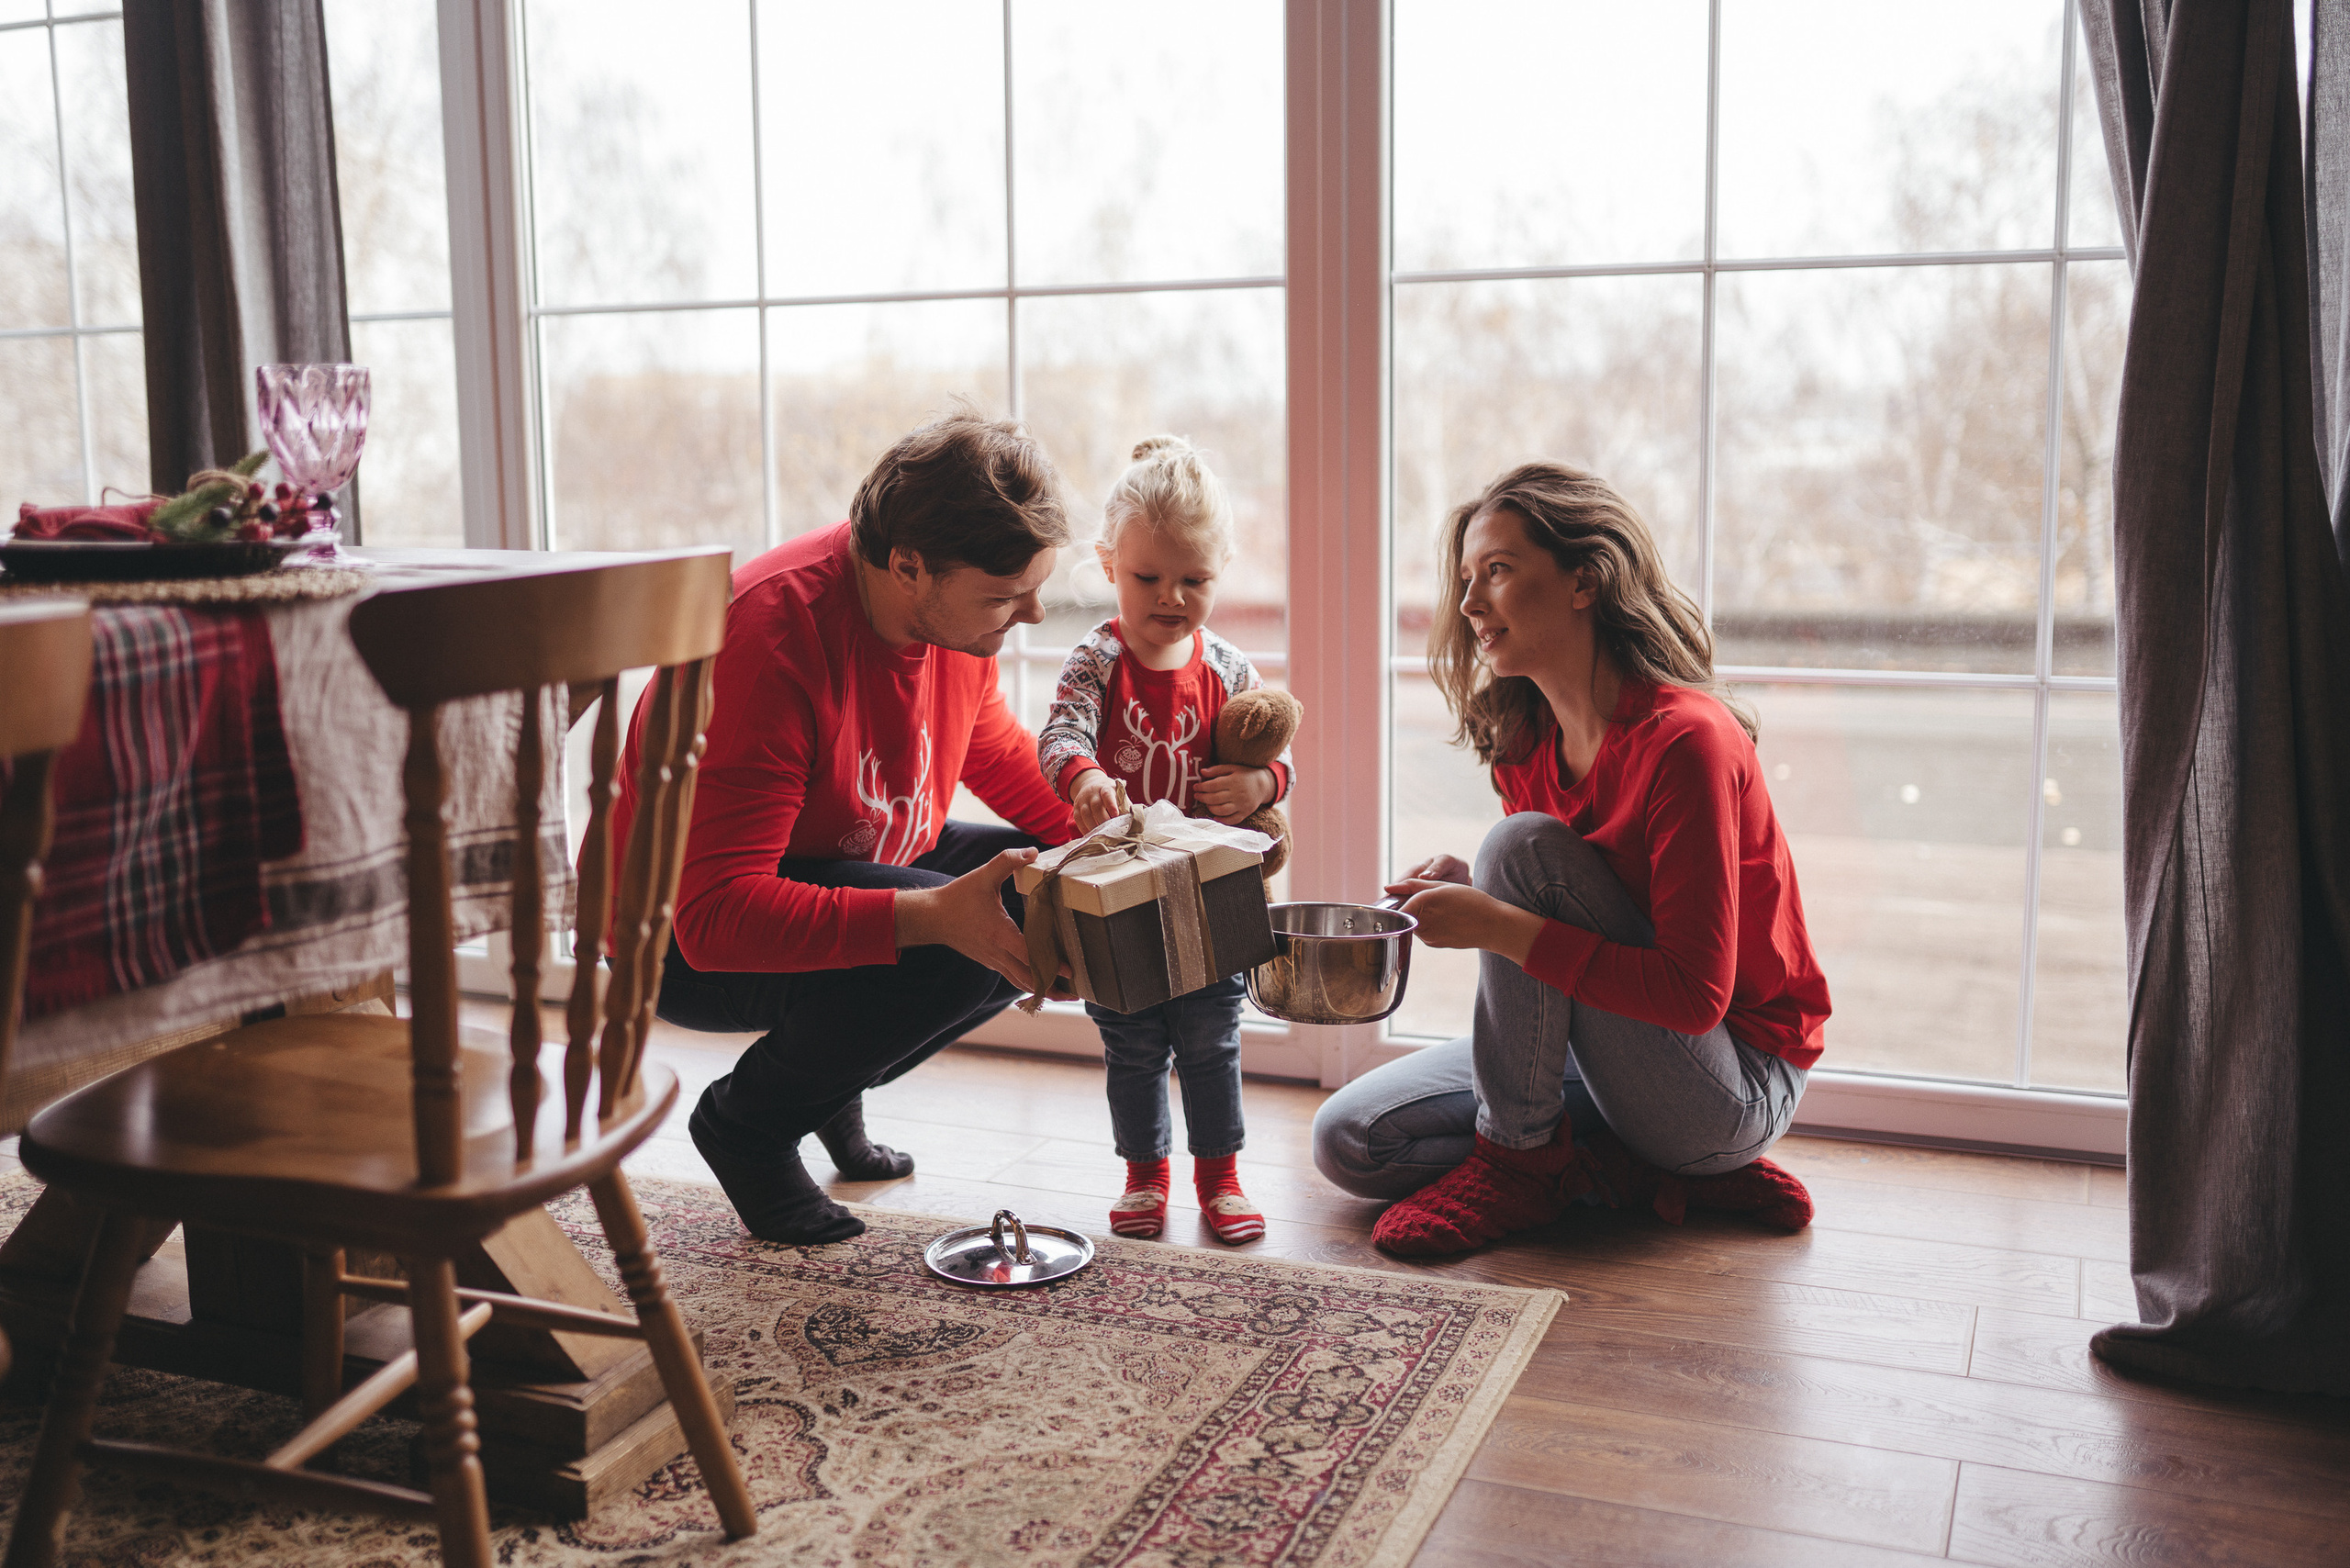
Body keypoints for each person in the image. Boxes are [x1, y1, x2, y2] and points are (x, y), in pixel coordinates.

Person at [1311, 463, 1830, 1257]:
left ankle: (1521, 1165)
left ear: (1584, 581)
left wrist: (1499, 921)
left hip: (1734, 1081)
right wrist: (1486, 894)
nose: (1469, 602)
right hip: (1615, 1056)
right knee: (1350, 1140)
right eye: (1466, 579)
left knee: (1517, 847)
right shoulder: (1527, 744)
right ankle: (1619, 1169)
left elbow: (1694, 997)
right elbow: (1584, 910)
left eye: (1497, 570)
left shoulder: (1687, 742)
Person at [608, 413, 1080, 1246]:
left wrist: (1113, 839)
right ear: (909, 566)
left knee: (1040, 892)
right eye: (1007, 595)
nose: (1034, 614)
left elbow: (991, 749)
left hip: (841, 852)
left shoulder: (950, 619)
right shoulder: (765, 643)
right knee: (957, 940)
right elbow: (715, 919)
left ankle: (826, 1085)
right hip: (678, 936)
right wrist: (936, 916)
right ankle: (747, 1126)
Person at [1036, 436, 1293, 1245]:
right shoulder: (1098, 659)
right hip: (1117, 895)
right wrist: (1083, 778)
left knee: (1213, 1041)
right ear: (1109, 564)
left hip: (1213, 891)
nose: (1172, 597)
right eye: (1148, 578)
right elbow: (1059, 735)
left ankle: (1221, 1178)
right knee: (1133, 1043)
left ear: (1222, 571)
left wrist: (1261, 786)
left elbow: (1279, 757)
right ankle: (1144, 1176)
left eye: (1196, 580)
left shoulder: (1229, 668)